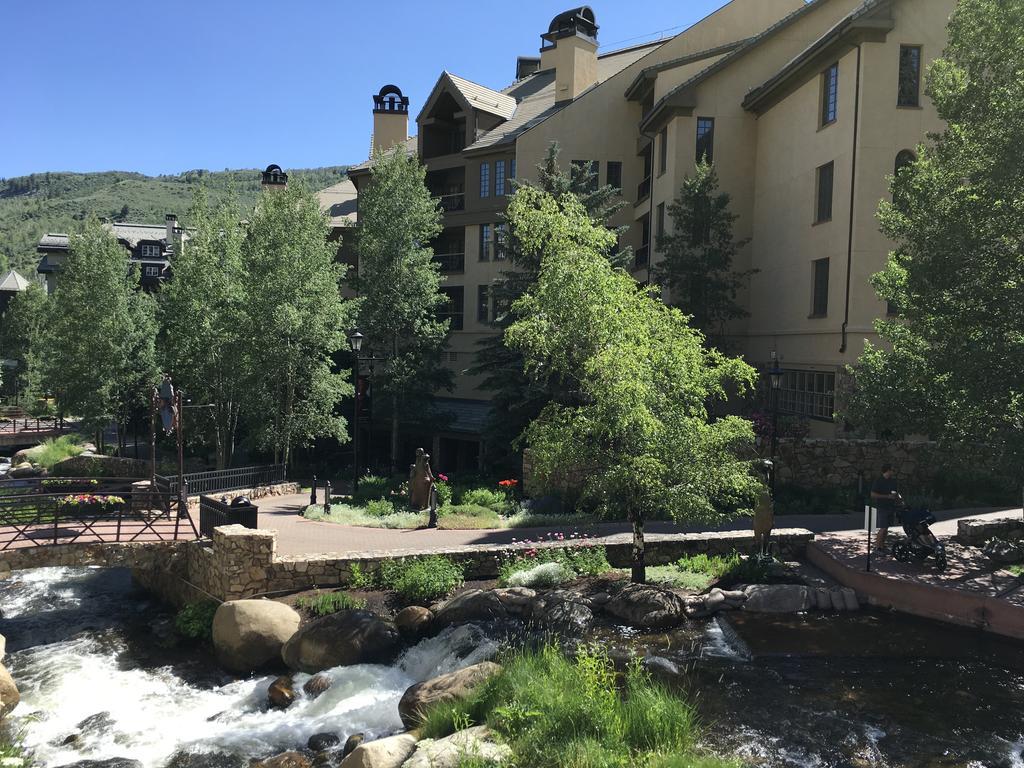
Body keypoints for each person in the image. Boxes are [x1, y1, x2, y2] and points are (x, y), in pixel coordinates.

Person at [870, 463, 899, 550]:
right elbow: (873, 494)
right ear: (888, 470)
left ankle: (882, 545)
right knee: (882, 528)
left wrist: (897, 498)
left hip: (891, 507)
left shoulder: (893, 481)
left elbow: (895, 493)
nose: (893, 472)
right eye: (892, 470)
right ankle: (877, 547)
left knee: (886, 528)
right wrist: (887, 496)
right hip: (882, 507)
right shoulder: (879, 481)